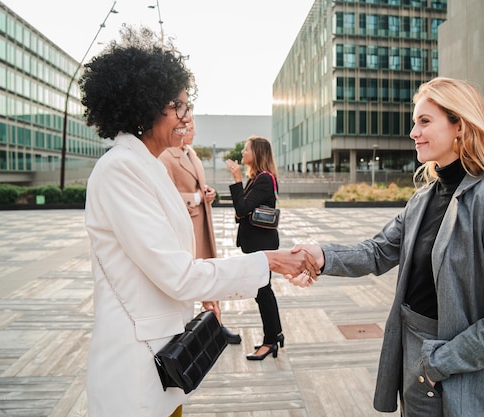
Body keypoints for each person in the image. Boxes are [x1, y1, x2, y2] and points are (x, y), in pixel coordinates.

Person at [80, 27, 317, 417]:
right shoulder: (121, 170)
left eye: (186, 106)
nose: (186, 117)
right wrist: (270, 261)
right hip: (134, 375)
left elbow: (171, 263)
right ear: (146, 106)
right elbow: (177, 274)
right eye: (178, 106)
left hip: (164, 364)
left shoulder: (146, 165)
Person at [288, 77, 484, 417]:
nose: (413, 132)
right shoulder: (422, 199)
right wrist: (321, 255)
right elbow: (378, 252)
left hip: (456, 368)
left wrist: (439, 361)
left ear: (459, 127)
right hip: (413, 355)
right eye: (414, 122)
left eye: (425, 121)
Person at [159, 120, 242, 344]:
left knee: (209, 279)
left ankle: (216, 327)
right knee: (189, 280)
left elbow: (197, 186)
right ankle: (185, 335)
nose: (194, 132)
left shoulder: (191, 154)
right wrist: (195, 198)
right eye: (191, 128)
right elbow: (164, 194)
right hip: (185, 229)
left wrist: (208, 193)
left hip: (202, 225)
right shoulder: (166, 156)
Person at [225, 136, 284, 361]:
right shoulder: (258, 178)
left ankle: (270, 341)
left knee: (263, 291)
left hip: (262, 245)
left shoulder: (264, 180)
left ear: (257, 153)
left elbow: (242, 209)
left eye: (246, 149)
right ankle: (275, 334)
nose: (242, 152)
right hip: (258, 244)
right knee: (263, 291)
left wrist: (236, 178)